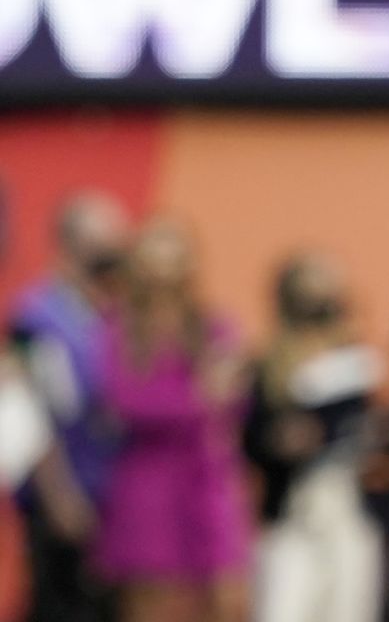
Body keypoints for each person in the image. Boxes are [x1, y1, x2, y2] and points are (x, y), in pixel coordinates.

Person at [92, 219, 253, 622]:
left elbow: (237, 404)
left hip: (208, 480)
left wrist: (227, 392)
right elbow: (127, 403)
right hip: (148, 483)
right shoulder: (119, 328)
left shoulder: (213, 325)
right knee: (150, 602)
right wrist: (200, 397)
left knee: (225, 601)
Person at [8, 191, 129, 622]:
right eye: (107, 241)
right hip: (60, 495)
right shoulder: (36, 316)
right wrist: (59, 495)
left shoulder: (117, 314)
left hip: (115, 492)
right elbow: (28, 414)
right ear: (72, 243)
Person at [243, 252, 384, 622]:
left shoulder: (355, 361)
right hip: (292, 518)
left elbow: (369, 429)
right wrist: (279, 441)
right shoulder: (269, 365)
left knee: (349, 609)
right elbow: (251, 440)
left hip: (349, 514)